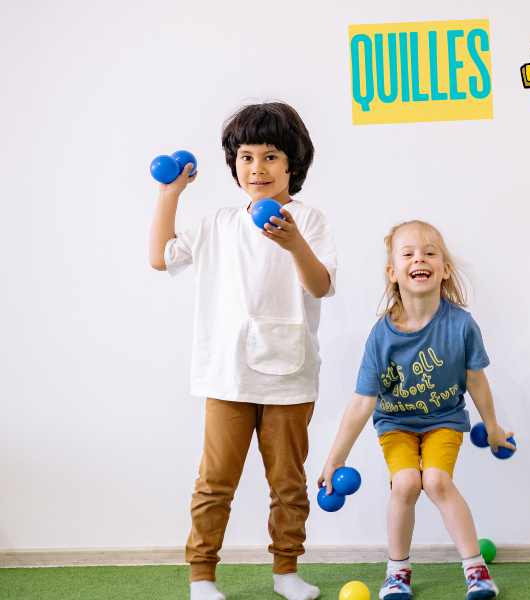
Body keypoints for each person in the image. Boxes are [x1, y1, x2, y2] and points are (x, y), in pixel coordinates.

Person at [149, 102, 334, 600]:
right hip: (226, 376)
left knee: (288, 484)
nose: (258, 168)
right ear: (233, 164)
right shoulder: (216, 224)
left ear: (293, 163)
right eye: (247, 156)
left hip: (289, 375)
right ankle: (202, 577)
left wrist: (294, 243)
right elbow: (159, 257)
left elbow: (319, 286)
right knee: (214, 483)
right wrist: (171, 194)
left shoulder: (308, 221)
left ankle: (286, 572)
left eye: (271, 156)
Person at [320, 221, 512, 600]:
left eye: (429, 252)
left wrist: (493, 428)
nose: (419, 258)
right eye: (407, 253)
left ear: (444, 269)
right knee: (407, 483)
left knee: (437, 481)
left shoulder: (461, 325)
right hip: (396, 423)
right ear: (393, 273)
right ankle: (397, 574)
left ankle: (476, 570)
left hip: (444, 420)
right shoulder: (382, 334)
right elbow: (363, 401)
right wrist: (334, 459)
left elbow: (477, 382)